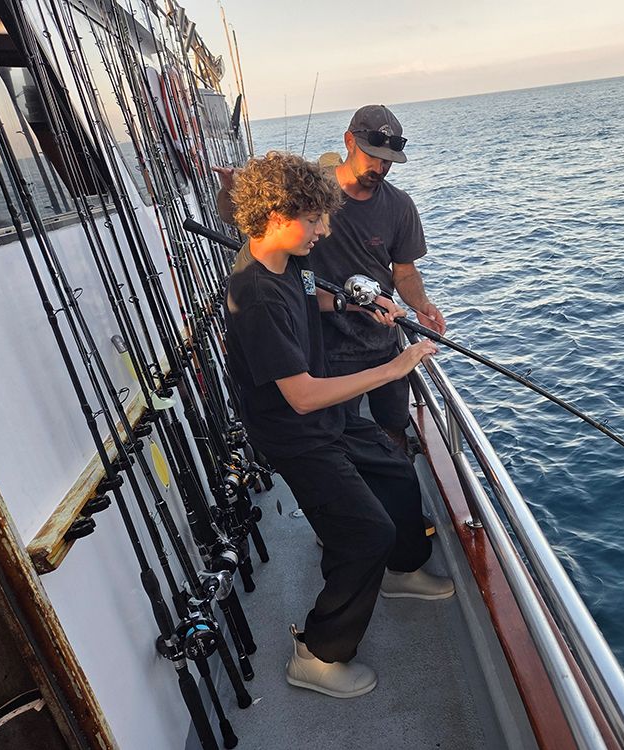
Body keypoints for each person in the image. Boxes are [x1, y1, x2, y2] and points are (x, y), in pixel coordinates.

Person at [223, 151, 454, 699]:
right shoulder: (252, 295)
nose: (325, 230)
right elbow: (300, 397)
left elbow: (314, 297)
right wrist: (394, 367)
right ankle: (318, 653)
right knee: (365, 534)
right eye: (315, 219)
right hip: (297, 435)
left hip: (330, 416)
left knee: (397, 474)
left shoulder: (292, 261)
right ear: (277, 216)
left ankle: (403, 570)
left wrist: (357, 304)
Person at [216, 104, 443, 448]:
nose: (381, 168)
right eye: (374, 156)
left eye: (388, 162)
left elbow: (405, 272)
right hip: (325, 347)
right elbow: (243, 216)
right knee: (340, 433)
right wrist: (229, 189)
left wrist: (422, 304)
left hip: (379, 336)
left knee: (393, 427)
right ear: (349, 141)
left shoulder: (400, 206)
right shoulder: (308, 192)